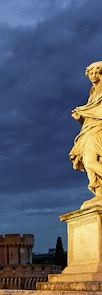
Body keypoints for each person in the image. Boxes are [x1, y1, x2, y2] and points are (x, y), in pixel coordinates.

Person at [69, 61, 102, 200]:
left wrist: (85, 111)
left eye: (97, 72)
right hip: (89, 128)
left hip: (98, 128)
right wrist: (81, 115)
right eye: (91, 73)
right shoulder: (93, 92)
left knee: (90, 161)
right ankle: (99, 193)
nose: (93, 75)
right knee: (88, 161)